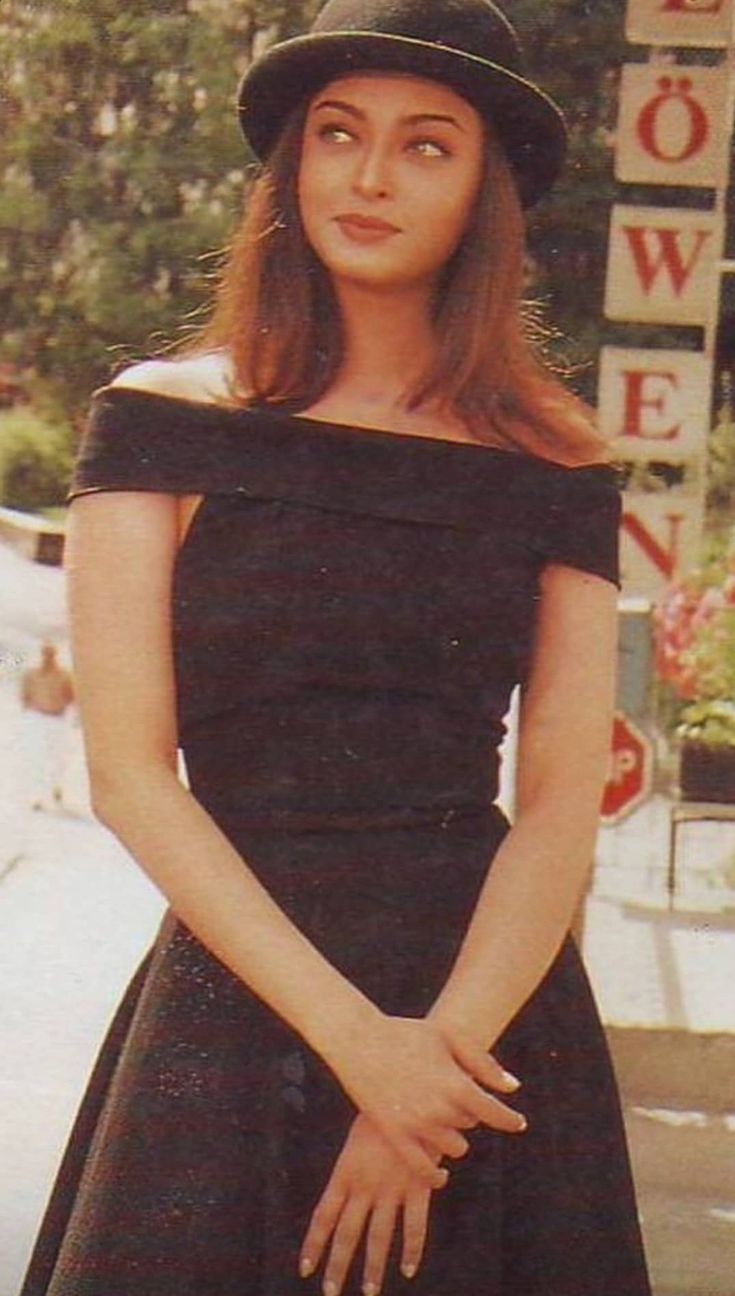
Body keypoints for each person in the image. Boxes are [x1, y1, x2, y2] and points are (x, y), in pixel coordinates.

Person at [21, 2, 652, 1294]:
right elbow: (132, 777)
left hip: (481, 1015)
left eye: (425, 145)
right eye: (337, 134)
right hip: (236, 998)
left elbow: (551, 810)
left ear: (484, 187)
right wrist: (359, 1046)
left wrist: (434, 1066)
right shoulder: (157, 422)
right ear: (289, 163)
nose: (367, 176)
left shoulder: (557, 465)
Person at [20, 642, 75, 812]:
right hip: (37, 720)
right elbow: (25, 696)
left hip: (57, 721)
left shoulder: (64, 676)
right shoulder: (31, 675)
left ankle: (55, 789)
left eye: (50, 654)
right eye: (44, 653)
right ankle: (37, 796)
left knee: (56, 758)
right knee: (36, 758)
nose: (47, 657)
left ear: (55, 656)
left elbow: (72, 697)